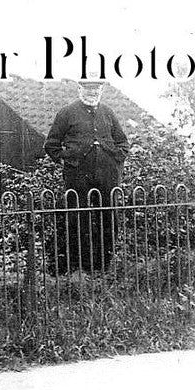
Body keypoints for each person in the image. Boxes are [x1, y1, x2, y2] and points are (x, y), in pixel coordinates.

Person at [43, 78, 130, 274]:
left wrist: (115, 161)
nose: (93, 92)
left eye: (96, 88)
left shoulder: (108, 112)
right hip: (78, 173)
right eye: (89, 88)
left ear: (101, 90)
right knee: (77, 217)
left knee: (108, 217)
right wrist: (67, 160)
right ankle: (79, 266)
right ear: (80, 88)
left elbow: (123, 143)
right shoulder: (66, 113)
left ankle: (104, 266)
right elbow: (51, 145)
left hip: (107, 174)